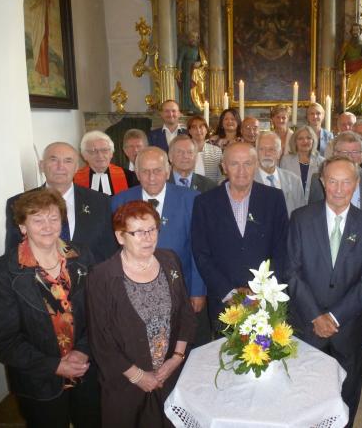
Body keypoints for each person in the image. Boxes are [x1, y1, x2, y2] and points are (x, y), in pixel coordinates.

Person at [0, 189, 101, 428]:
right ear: (23, 226)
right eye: (37, 220)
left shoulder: (82, 256)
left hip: (86, 370)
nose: (47, 226)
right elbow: (3, 341)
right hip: (38, 380)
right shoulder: (1, 273)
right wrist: (55, 365)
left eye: (53, 218)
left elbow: (100, 313)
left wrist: (83, 350)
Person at [285, 156, 362, 427]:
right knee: (304, 392)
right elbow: (291, 272)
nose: (339, 189)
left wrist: (334, 317)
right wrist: (317, 316)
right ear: (322, 182)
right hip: (307, 324)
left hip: (347, 328)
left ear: (356, 184)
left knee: (347, 393)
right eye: (333, 181)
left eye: (346, 182)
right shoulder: (301, 218)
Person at [87, 200, 196, 427]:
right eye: (138, 232)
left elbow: (185, 313)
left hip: (169, 377)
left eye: (152, 229)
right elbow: (101, 340)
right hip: (125, 385)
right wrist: (139, 377)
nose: (148, 238)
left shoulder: (169, 261)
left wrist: (176, 359)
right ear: (120, 237)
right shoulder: (102, 276)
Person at [111, 147, 210, 348]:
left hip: (183, 289)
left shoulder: (192, 199)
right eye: (145, 171)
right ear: (137, 173)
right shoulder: (119, 201)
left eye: (157, 170)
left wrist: (198, 290)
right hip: (137, 290)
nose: (152, 177)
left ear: (168, 171)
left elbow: (199, 248)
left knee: (184, 345)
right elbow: (116, 250)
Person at [191, 142, 289, 328]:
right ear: (224, 167)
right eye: (235, 163)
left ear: (256, 165)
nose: (241, 170)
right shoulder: (204, 203)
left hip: (265, 299)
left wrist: (260, 290)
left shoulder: (274, 199)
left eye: (248, 163)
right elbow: (201, 253)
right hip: (224, 301)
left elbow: (282, 249)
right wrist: (230, 292)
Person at [5, 142, 117, 263]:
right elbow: (14, 252)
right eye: (53, 160)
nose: (60, 166)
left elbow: (109, 251)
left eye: (68, 161)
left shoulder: (100, 202)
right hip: (38, 279)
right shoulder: (18, 203)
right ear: (41, 166)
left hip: (89, 278)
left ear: (76, 168)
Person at [308, 131, 362, 219]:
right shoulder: (318, 179)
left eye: (355, 152)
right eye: (344, 152)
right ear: (335, 154)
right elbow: (312, 213)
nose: (349, 157)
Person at [254, 131, 305, 216]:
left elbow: (301, 215)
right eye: (262, 149)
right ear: (256, 152)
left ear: (279, 153)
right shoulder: (247, 181)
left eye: (272, 149)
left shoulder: (294, 181)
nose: (267, 153)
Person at [74, 130, 137, 196]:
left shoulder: (129, 176)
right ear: (84, 155)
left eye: (104, 150)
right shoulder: (74, 179)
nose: (100, 155)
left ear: (111, 153)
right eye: (93, 151)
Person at [280, 125, 324, 199]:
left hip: (314, 206)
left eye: (308, 138)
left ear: (313, 141)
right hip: (292, 205)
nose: (305, 141)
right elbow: (282, 186)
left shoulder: (322, 162)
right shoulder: (286, 160)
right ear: (295, 142)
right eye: (300, 138)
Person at [336, 23, 362, 114]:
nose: (355, 32)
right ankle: (346, 107)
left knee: (359, 89)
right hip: (348, 70)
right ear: (351, 32)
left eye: (357, 30)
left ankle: (357, 108)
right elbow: (341, 58)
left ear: (360, 32)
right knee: (347, 89)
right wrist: (340, 68)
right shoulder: (347, 45)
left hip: (360, 70)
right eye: (354, 30)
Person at [176, 32, 207, 113]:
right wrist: (179, 70)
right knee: (187, 88)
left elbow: (204, 62)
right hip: (186, 71)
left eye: (195, 37)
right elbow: (180, 60)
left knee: (196, 89)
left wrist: (200, 63)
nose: (193, 39)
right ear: (188, 38)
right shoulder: (184, 48)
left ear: (198, 39)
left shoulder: (199, 50)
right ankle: (187, 107)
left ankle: (196, 106)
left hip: (196, 73)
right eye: (192, 37)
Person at [186, 115, 223, 182]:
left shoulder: (216, 151)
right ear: (189, 131)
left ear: (206, 130)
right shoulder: (184, 151)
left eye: (201, 126)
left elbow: (220, 175)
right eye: (194, 127)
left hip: (211, 189)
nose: (198, 130)